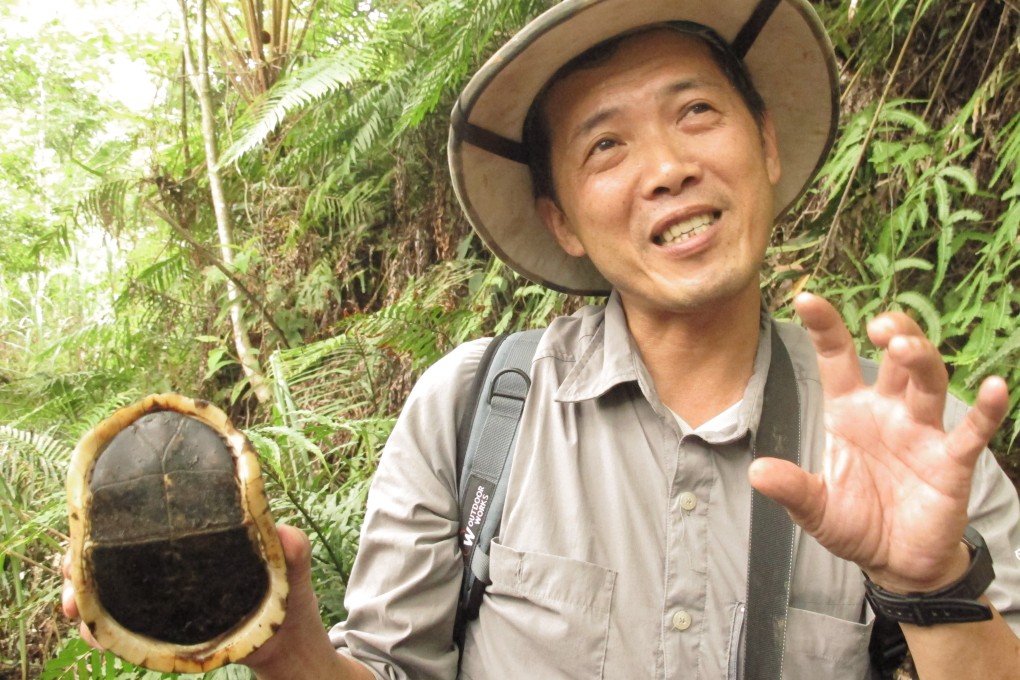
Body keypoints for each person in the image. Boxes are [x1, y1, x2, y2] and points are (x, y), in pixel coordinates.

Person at [64, 0, 1020, 678]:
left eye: (696, 112)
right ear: (562, 220)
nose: (669, 168)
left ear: (764, 145)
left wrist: (933, 587)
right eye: (607, 145)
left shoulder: (914, 461)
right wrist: (290, 648)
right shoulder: (471, 412)